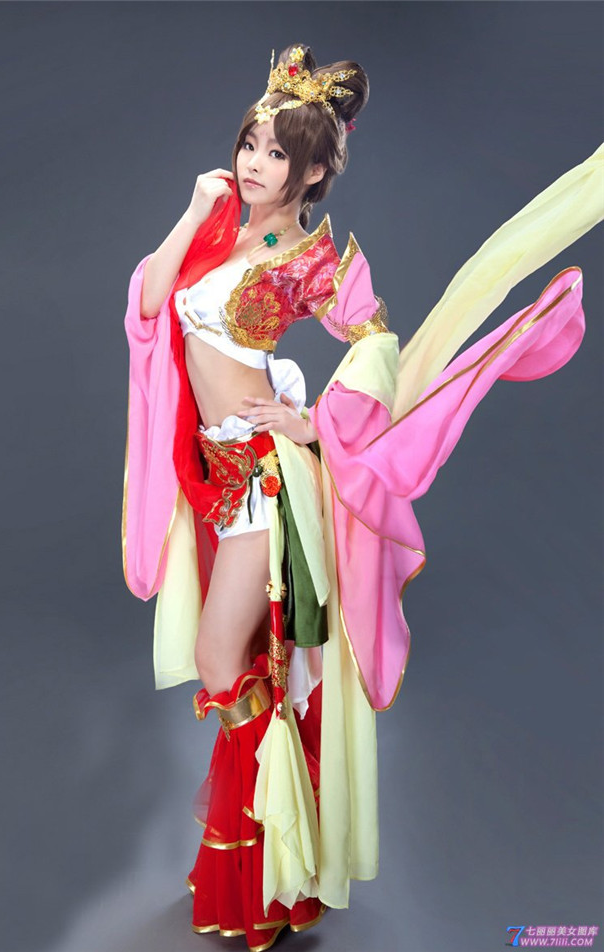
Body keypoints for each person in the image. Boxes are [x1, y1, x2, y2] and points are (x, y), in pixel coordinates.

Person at [122, 42, 604, 952]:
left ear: (311, 172)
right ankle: (270, 873)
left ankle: (277, 851)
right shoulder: (218, 222)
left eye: (274, 153)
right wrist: (189, 213)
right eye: (250, 142)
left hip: (266, 481)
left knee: (222, 660)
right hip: (212, 476)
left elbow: (375, 341)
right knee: (244, 666)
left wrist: (313, 423)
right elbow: (149, 304)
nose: (252, 162)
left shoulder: (314, 261)